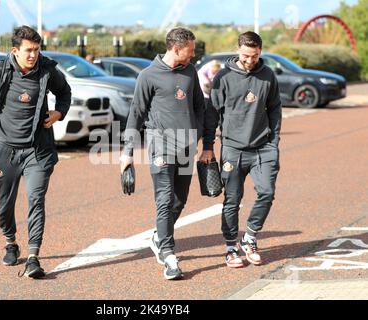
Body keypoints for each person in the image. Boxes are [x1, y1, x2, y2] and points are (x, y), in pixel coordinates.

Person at [0, 25, 71, 279]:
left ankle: (33, 257)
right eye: (28, 50)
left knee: (36, 200)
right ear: (15, 51)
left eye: (37, 50)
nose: (33, 55)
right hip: (5, 149)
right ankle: (10, 242)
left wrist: (58, 113)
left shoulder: (47, 71)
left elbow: (64, 93)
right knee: (5, 204)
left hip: (37, 150)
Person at [120, 27, 205, 280]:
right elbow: (136, 113)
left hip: (186, 146)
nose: (193, 55)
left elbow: (200, 106)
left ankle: (158, 237)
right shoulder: (148, 75)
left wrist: (197, 134)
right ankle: (169, 256)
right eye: (189, 51)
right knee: (165, 199)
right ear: (176, 48)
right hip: (161, 146)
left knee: (179, 200)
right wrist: (127, 152)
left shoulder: (190, 72)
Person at [200, 31, 282, 268]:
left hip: (263, 148)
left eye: (255, 56)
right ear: (238, 50)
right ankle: (230, 247)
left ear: (260, 52)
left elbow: (275, 108)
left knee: (266, 192)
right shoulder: (223, 77)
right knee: (232, 200)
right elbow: (212, 114)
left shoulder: (267, 75)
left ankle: (250, 237)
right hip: (233, 149)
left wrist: (273, 142)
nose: (250, 60)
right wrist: (208, 147)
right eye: (246, 55)